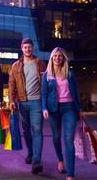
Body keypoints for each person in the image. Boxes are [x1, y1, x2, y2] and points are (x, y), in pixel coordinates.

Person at [41, 47, 83, 180]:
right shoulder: (46, 75)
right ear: (51, 58)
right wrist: (44, 109)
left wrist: (80, 109)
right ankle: (60, 160)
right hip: (53, 109)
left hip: (69, 107)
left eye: (60, 56)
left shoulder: (70, 74)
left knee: (68, 139)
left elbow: (76, 93)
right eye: (55, 56)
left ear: (63, 58)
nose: (57, 58)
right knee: (56, 137)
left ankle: (70, 174)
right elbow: (44, 94)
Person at [8, 38, 46, 174]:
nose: (27, 50)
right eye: (25, 47)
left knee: (37, 130)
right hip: (22, 102)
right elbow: (11, 84)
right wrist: (12, 101)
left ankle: (36, 161)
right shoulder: (16, 66)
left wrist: (46, 103)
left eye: (29, 47)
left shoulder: (41, 64)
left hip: (37, 102)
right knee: (26, 130)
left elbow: (46, 83)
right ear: (21, 48)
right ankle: (30, 152)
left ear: (32, 48)